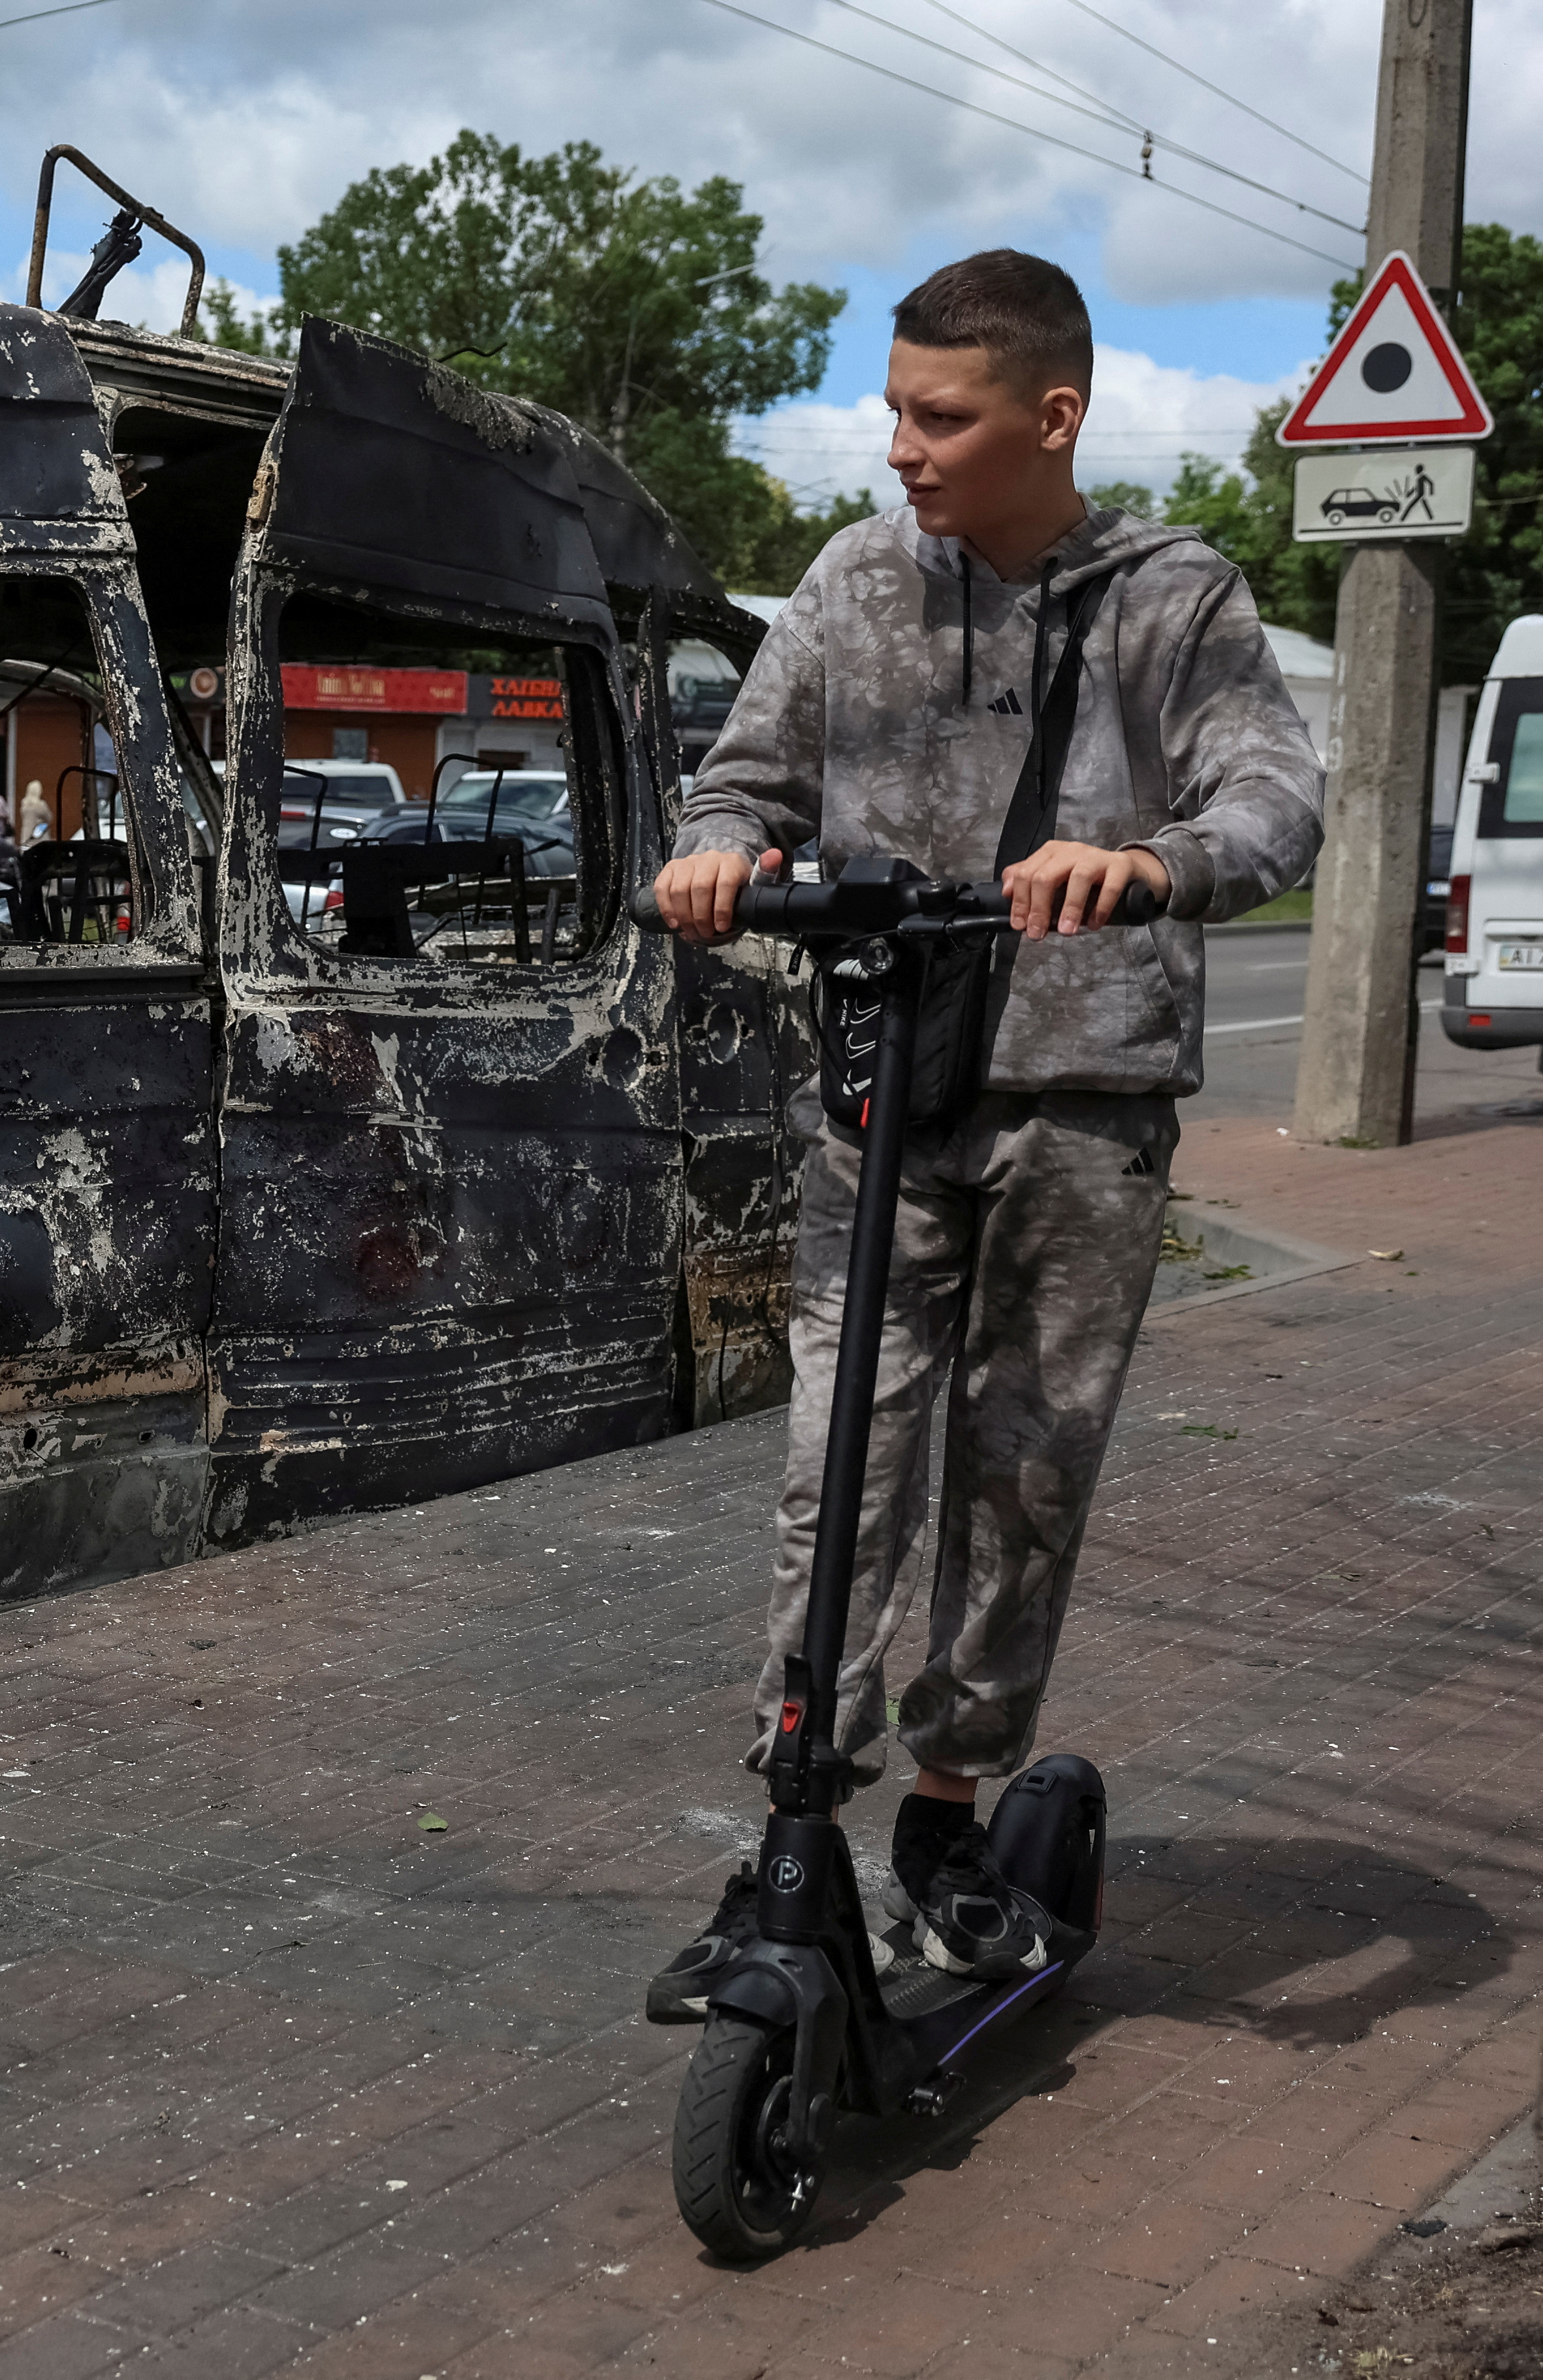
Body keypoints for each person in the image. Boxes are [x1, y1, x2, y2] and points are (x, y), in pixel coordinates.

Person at [644, 251, 1323, 2008]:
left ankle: (945, 1806)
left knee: (1021, 1469)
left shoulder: (1172, 596)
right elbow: (740, 776)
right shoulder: (855, 582)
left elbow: (1269, 792)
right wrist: (717, 849)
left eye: (936, 416)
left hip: (1080, 1104)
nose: (900, 447)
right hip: (879, 1084)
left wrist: (1151, 860)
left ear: (1051, 416)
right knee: (837, 1460)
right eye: (891, 409)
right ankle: (797, 1804)